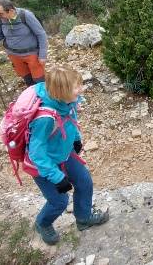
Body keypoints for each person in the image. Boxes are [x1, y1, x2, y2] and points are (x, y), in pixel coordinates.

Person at [28, 67, 109, 244]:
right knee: (59, 201)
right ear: (61, 92)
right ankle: (43, 223)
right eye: (76, 86)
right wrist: (56, 177)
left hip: (63, 154)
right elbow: (36, 153)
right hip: (43, 165)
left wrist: (76, 139)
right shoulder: (45, 119)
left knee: (84, 181)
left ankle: (84, 217)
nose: (81, 89)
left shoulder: (68, 102)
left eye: (80, 84)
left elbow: (71, 121)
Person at [0, 0, 49, 87]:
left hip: (32, 54)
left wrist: (42, 55)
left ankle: (44, 99)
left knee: (40, 81)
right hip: (14, 55)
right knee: (28, 80)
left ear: (11, 11)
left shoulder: (26, 15)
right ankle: (32, 99)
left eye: (0, 14)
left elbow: (41, 34)